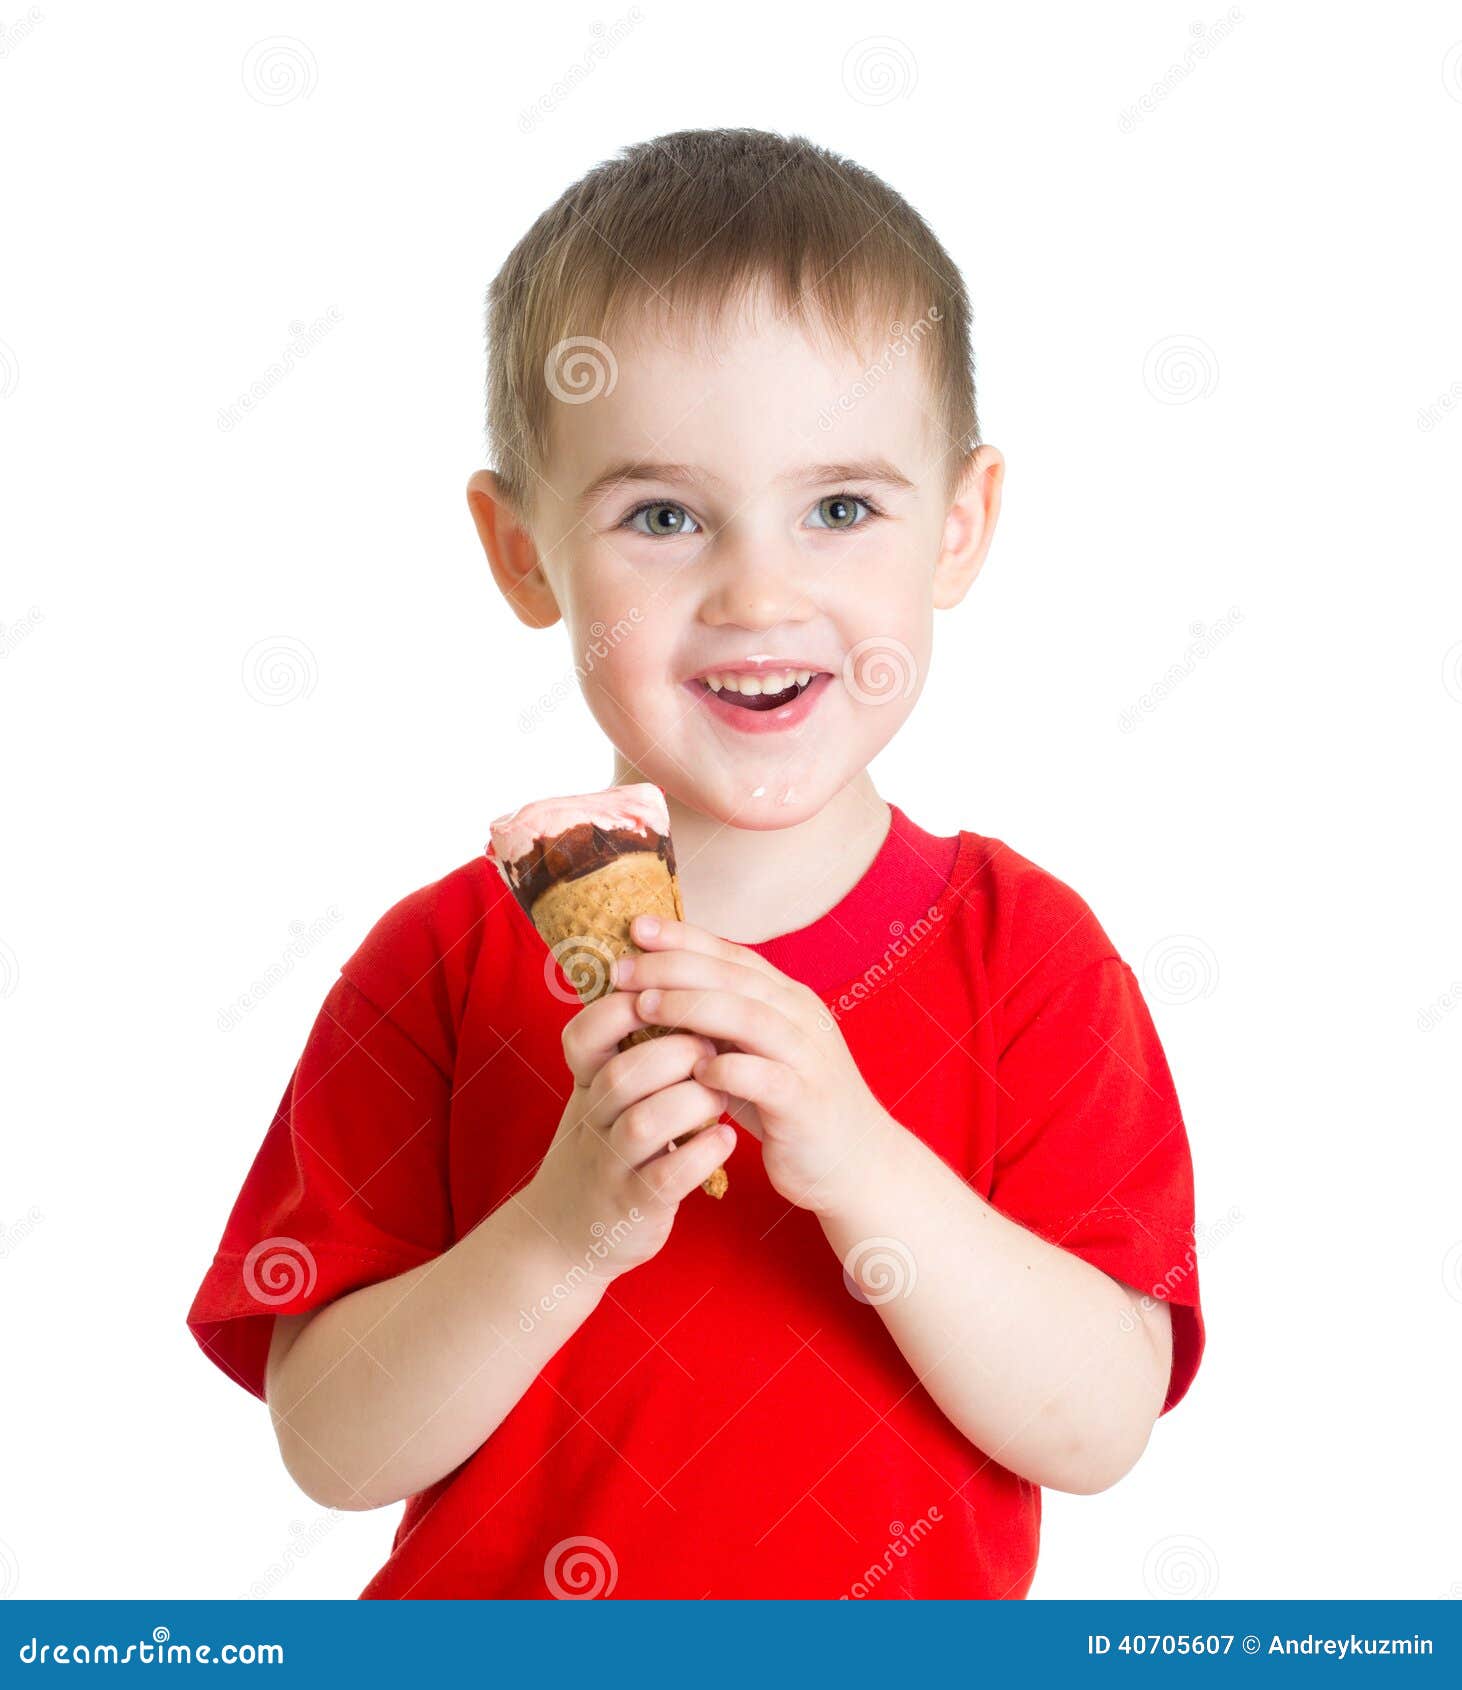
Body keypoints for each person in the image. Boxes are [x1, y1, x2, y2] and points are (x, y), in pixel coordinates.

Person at [186, 127, 1204, 1600]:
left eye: (841, 507)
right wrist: (560, 1235)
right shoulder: (438, 964)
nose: (756, 590)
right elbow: (331, 1448)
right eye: (661, 515)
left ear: (960, 527)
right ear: (522, 551)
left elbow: (1099, 1422)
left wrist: (858, 1160)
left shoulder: (1023, 954)